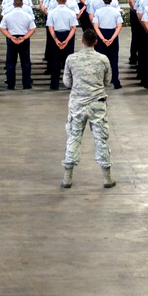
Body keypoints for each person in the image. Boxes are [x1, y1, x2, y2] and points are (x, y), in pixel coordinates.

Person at [60, 30, 115, 189]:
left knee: (74, 137)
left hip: (77, 104)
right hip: (97, 104)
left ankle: (67, 178)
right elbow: (107, 81)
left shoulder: (71, 59)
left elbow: (67, 83)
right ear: (95, 42)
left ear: (81, 41)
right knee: (101, 139)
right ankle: (107, 178)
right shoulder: (103, 59)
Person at [0, 0, 37, 90]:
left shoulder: (8, 15)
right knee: (25, 63)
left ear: (13, 4)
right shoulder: (27, 15)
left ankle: (11, 84)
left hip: (12, 39)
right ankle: (26, 84)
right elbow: (32, 29)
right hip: (23, 38)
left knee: (11, 63)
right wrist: (24, 37)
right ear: (22, 4)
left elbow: (2, 28)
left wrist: (10, 36)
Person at [46, 0, 79, 90]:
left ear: (57, 1)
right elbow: (74, 28)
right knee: (68, 61)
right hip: (68, 35)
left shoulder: (52, 13)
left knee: (55, 60)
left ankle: (54, 84)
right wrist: (67, 40)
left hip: (56, 34)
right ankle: (69, 83)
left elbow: (50, 27)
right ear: (66, 0)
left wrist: (55, 39)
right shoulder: (71, 13)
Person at [92, 0, 123, 89]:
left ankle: (100, 81)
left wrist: (102, 38)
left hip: (102, 34)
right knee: (113, 59)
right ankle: (115, 82)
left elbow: (96, 26)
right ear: (111, 1)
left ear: (103, 1)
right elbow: (119, 26)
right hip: (112, 34)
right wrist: (112, 38)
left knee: (100, 60)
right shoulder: (116, 12)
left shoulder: (98, 11)